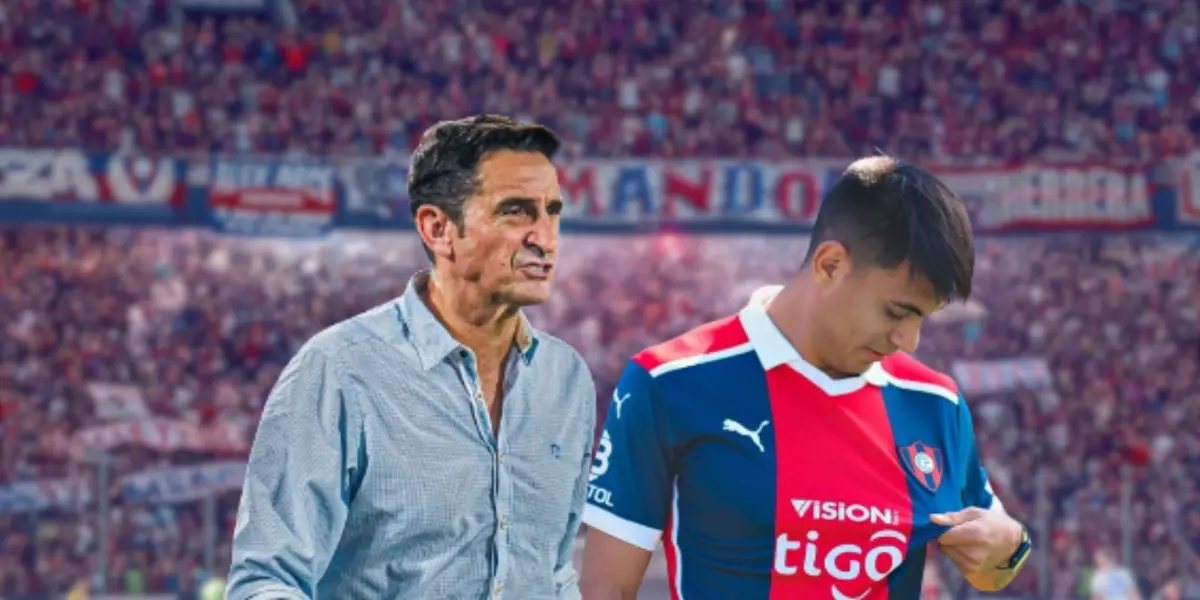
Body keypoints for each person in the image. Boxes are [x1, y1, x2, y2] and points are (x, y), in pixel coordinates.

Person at [579, 156, 1032, 599]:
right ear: (830, 265)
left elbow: (991, 565)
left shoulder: (934, 402)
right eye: (897, 312)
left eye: (923, 318)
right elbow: (606, 586)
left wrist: (1009, 547)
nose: (909, 339)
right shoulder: (667, 382)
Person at [226, 115, 597, 600]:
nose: (545, 238)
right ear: (437, 228)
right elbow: (265, 581)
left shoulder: (565, 380)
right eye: (516, 212)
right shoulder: (340, 371)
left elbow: (550, 570)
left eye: (552, 211)